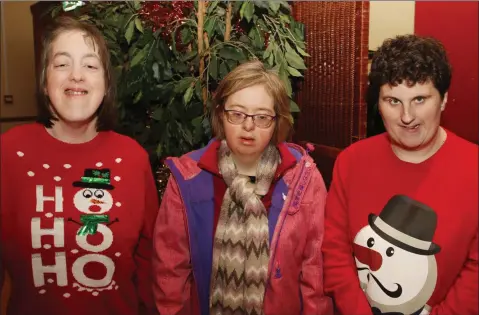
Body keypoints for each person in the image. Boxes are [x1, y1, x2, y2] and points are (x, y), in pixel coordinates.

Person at [0, 16, 159, 315]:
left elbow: (150, 263)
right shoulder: (8, 152)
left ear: (106, 83)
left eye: (90, 65)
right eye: (61, 64)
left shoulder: (132, 157)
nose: (76, 76)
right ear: (45, 81)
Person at [152, 60, 332, 315]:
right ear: (220, 114)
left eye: (261, 117)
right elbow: (169, 273)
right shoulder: (187, 177)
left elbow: (315, 272)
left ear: (276, 121)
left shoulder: (303, 179)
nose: (248, 127)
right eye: (237, 114)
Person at [322, 34, 478, 315]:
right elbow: (335, 253)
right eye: (393, 101)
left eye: (419, 99)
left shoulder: (474, 169)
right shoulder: (351, 163)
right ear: (377, 104)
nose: (407, 116)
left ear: (443, 100)